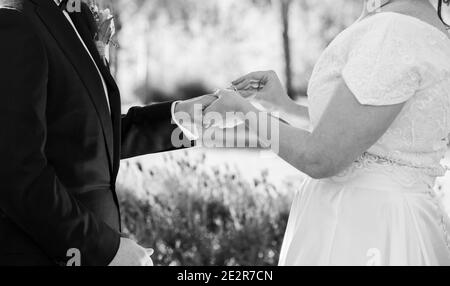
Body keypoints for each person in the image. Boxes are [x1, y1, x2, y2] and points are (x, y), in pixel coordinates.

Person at [206, 0, 450, 265]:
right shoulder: (423, 25)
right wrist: (286, 107)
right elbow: (371, 130)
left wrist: (244, 113)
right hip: (392, 219)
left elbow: (320, 157)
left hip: (360, 226)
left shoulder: (393, 30)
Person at [0, 0, 213, 266]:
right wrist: (104, 249)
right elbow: (18, 173)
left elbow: (90, 136)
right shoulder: (15, 21)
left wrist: (182, 117)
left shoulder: (74, 18)